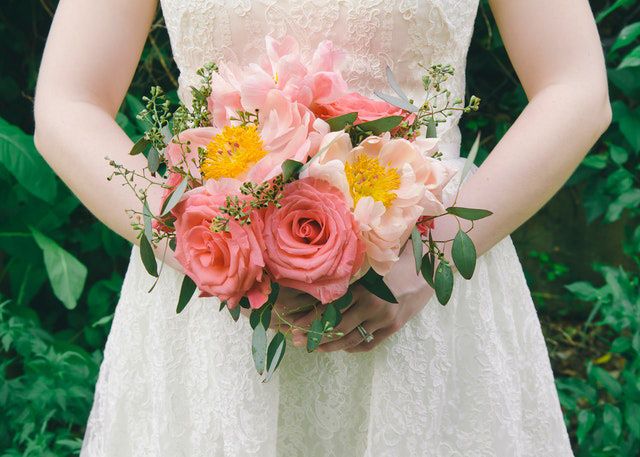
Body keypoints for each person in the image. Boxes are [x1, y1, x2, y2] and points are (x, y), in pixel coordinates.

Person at [33, 0, 610, 455]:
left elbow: (575, 88)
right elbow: (67, 101)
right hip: (213, 326)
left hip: (421, 304)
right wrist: (207, 244)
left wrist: (426, 260)